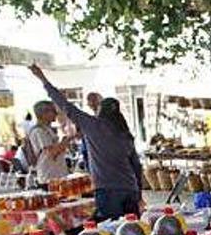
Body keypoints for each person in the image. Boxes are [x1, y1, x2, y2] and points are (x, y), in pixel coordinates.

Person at [29, 64, 144, 221]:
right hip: (130, 188)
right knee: (133, 229)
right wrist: (139, 194)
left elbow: (65, 105)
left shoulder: (93, 125)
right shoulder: (125, 134)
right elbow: (136, 166)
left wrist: (43, 79)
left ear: (100, 111)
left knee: (112, 233)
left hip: (107, 191)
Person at [27, 100, 69, 188]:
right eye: (53, 111)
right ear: (44, 113)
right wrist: (68, 139)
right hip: (49, 177)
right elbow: (52, 153)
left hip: (57, 176)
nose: (56, 113)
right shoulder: (39, 131)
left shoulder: (48, 129)